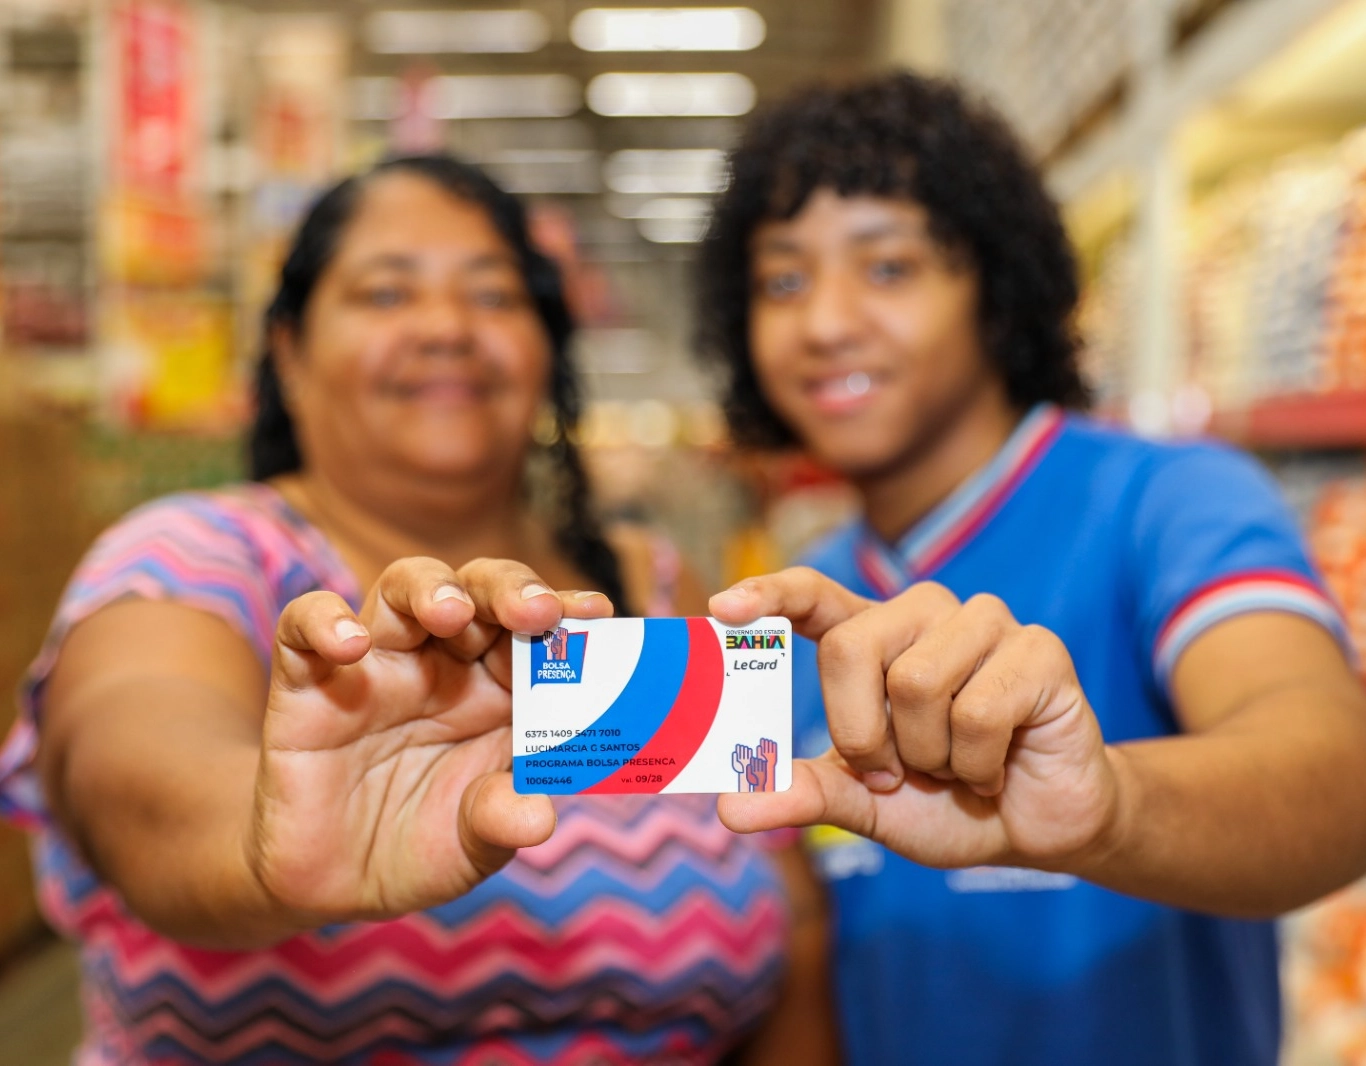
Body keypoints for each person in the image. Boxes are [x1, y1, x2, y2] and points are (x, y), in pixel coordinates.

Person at [0, 156, 836, 1065]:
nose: (445, 328)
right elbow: (129, 765)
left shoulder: (648, 588)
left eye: (492, 296)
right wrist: (264, 838)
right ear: (290, 350)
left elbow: (789, 918)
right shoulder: (202, 556)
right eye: (386, 293)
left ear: (547, 345)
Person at [693, 72, 1366, 1066]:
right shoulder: (795, 605)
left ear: (993, 285)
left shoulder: (1169, 503)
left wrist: (1109, 808)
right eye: (782, 280)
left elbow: (1337, 778)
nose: (825, 321)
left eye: (888, 267)